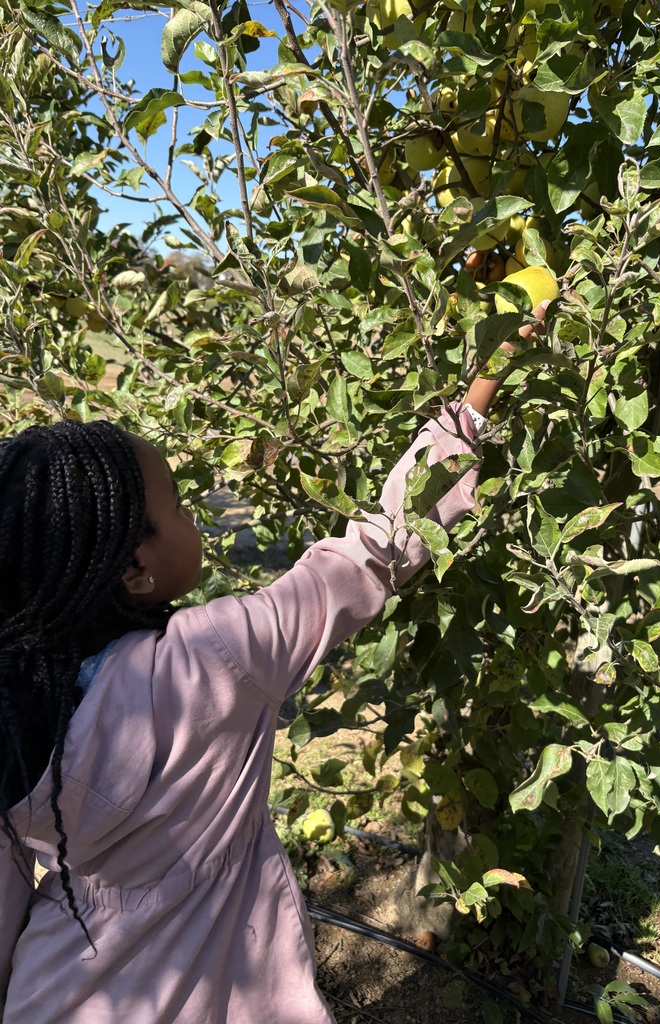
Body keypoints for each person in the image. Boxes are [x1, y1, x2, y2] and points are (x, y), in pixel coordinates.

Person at [0, 304, 549, 1023]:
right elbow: (370, 555)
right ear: (136, 570)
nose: (195, 513)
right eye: (180, 506)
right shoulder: (217, 655)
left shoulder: (15, 709)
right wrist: (476, 400)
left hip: (61, 988)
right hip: (211, 979)